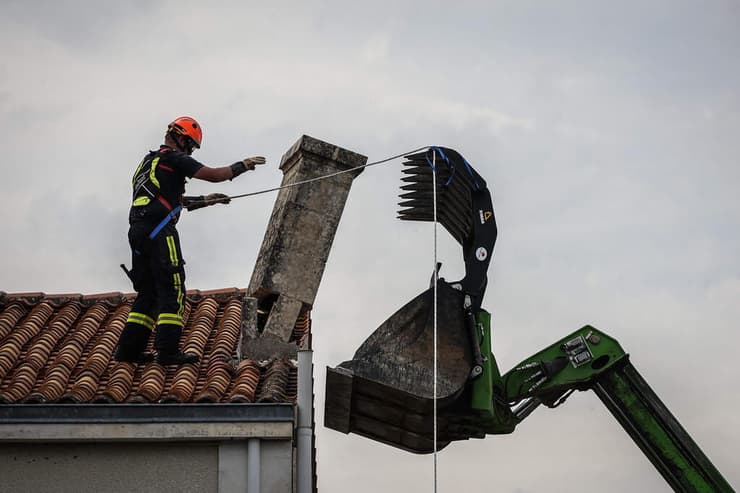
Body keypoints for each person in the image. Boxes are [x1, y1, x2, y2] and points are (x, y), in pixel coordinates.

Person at [114, 116, 265, 365]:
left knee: (148, 293)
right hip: (161, 233)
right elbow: (214, 174)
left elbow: (170, 199)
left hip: (138, 234)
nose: (191, 151)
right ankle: (167, 351)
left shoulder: (149, 163)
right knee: (173, 289)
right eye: (191, 146)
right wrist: (242, 166)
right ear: (182, 139)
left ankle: (128, 351)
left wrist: (206, 200)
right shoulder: (174, 157)